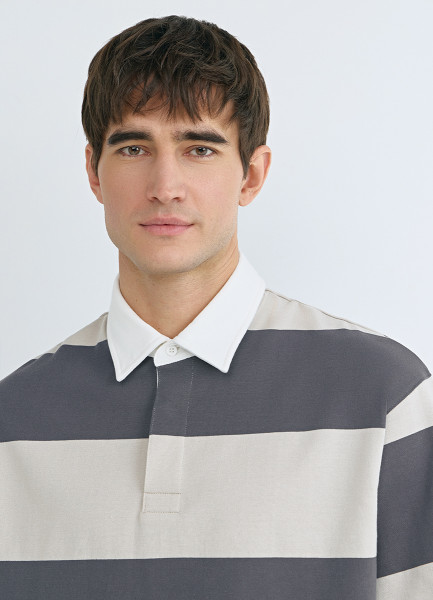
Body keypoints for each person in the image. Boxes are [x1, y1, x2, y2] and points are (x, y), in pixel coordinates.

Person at [0, 14, 432, 600]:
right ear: (94, 173)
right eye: (133, 147)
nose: (165, 185)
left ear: (251, 175)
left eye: (199, 148)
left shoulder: (384, 396)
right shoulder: (14, 419)